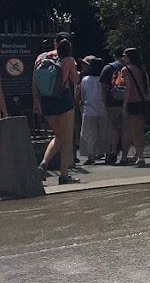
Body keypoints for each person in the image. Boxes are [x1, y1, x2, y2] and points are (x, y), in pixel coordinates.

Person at [32, 36, 79, 184]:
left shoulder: (41, 57)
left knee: (58, 135)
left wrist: (36, 102)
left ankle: (44, 164)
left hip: (46, 100)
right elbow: (76, 80)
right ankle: (64, 175)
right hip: (63, 98)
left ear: (55, 43)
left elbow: (34, 82)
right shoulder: (69, 60)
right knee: (67, 138)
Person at [120, 47, 150, 168]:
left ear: (129, 57)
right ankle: (141, 154)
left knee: (133, 130)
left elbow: (128, 88)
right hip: (143, 102)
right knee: (140, 129)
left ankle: (140, 156)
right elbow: (147, 87)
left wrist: (124, 104)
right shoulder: (142, 69)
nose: (123, 58)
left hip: (132, 102)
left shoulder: (126, 70)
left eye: (125, 56)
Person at [77, 57, 110, 164]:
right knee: (104, 133)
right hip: (103, 109)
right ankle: (104, 152)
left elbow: (82, 96)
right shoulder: (104, 81)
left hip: (89, 109)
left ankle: (91, 154)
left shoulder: (85, 80)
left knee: (89, 133)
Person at [99, 47, 126, 164]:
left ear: (114, 55)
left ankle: (113, 151)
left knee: (115, 128)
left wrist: (105, 102)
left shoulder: (108, 68)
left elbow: (104, 87)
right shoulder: (130, 68)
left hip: (113, 103)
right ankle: (126, 155)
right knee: (127, 129)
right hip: (128, 102)